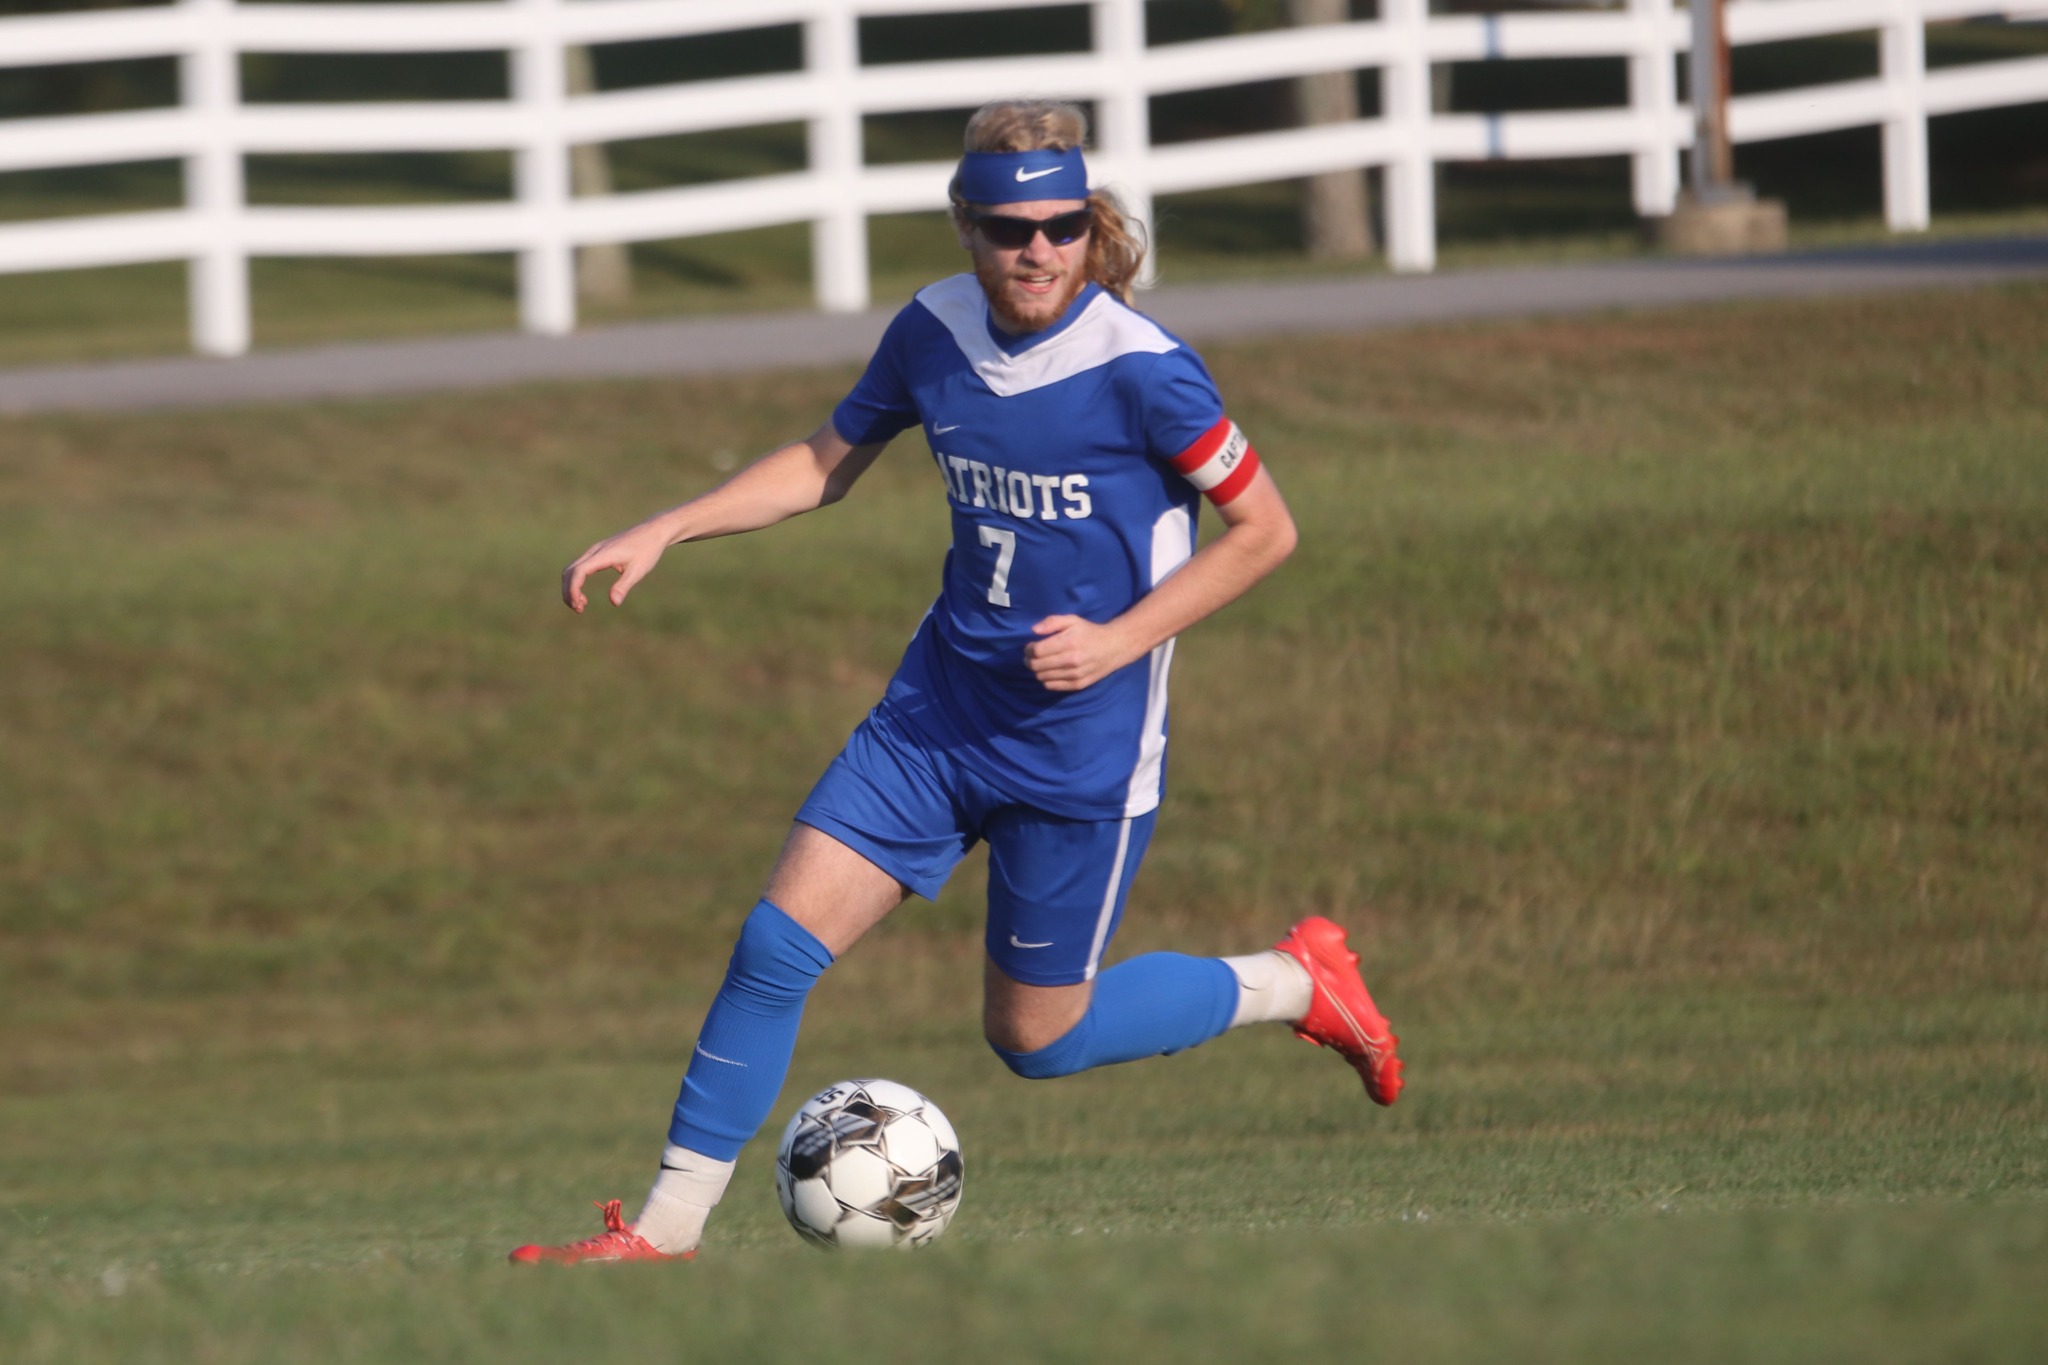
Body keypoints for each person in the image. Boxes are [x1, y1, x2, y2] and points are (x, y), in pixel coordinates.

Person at [510, 99, 1401, 1266]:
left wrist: (1120, 641)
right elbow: (826, 464)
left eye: (1060, 225)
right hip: (935, 717)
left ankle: (1293, 982)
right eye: (1006, 228)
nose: (1035, 250)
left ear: (1087, 227)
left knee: (1036, 1040)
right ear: (964, 229)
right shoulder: (929, 331)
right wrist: (669, 526)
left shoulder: (1145, 375)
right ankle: (664, 1233)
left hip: (1077, 747)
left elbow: (1264, 531)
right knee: (774, 948)